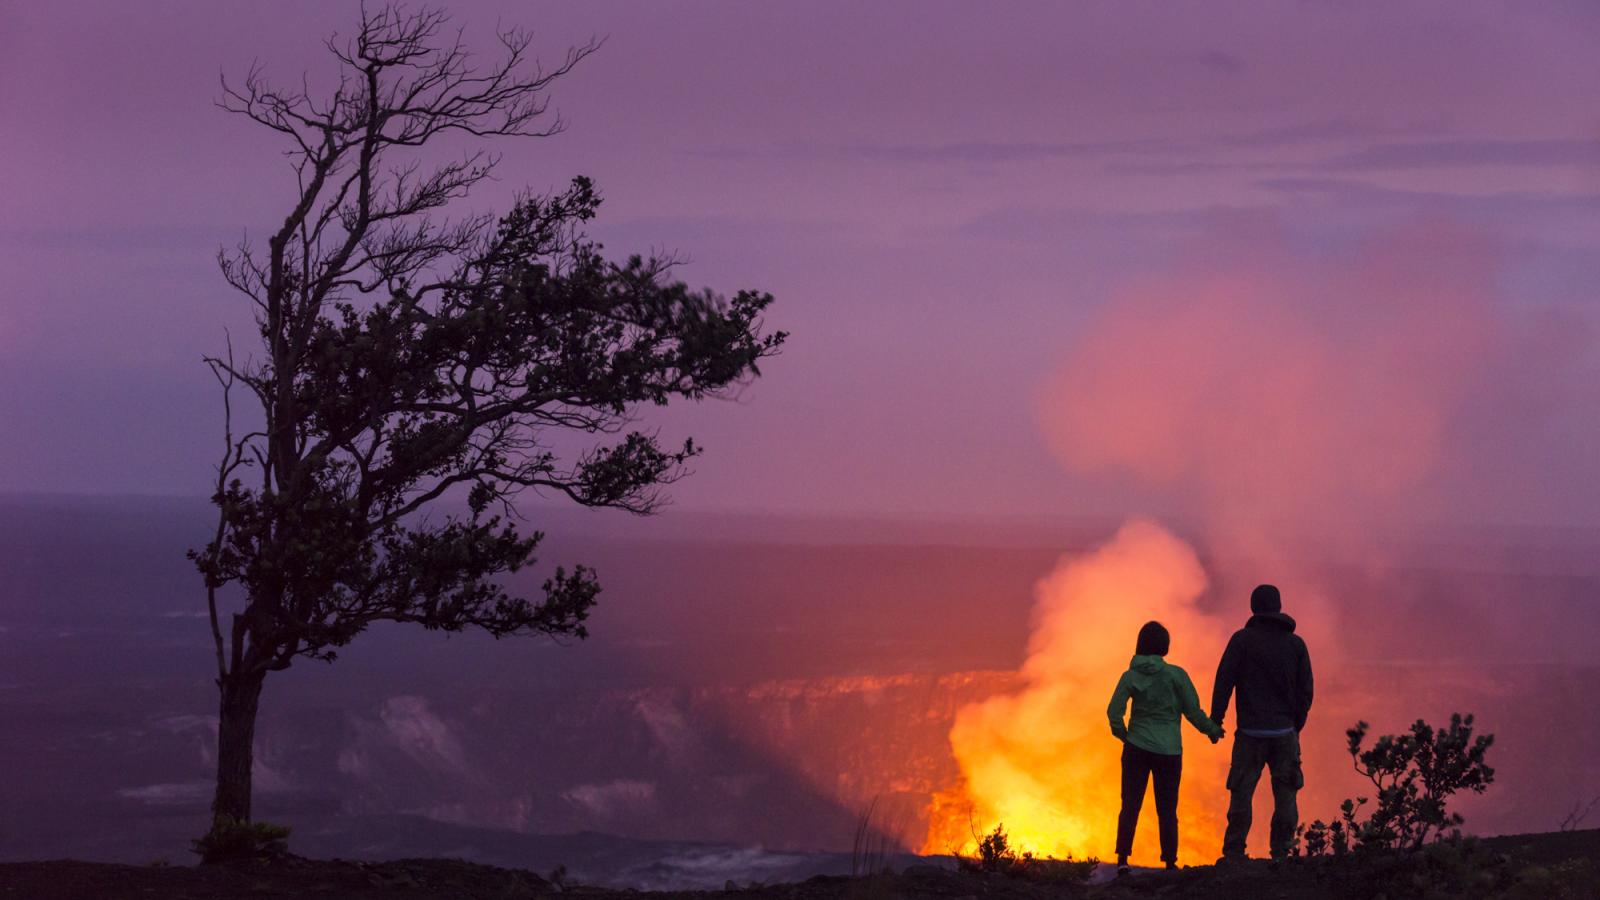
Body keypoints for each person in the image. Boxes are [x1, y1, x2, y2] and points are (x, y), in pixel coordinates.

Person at [1107, 620, 1224, 875]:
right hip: (1170, 752)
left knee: (1130, 805)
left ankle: (1123, 860)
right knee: (1167, 809)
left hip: (1136, 748)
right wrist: (1212, 730)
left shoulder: (1130, 676)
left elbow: (1114, 712)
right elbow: (1193, 711)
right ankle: (1170, 862)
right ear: (1165, 647)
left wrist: (1124, 735)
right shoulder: (1176, 676)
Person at [1210, 583, 1314, 863]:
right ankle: (1282, 851)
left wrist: (1215, 720)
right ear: (1278, 606)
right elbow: (1307, 691)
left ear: (1253, 607)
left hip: (1249, 734)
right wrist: (1295, 726)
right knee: (1286, 795)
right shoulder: (1295, 645)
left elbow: (1224, 682)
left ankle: (1234, 852)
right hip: (1284, 734)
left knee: (1241, 792)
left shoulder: (1242, 640)